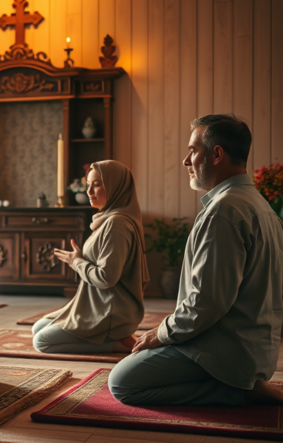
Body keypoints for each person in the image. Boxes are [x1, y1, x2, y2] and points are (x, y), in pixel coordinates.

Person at [109, 114, 283, 406]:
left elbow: (207, 302)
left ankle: (235, 391)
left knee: (122, 383)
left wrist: (161, 333)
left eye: (192, 150)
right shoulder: (259, 204)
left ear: (216, 154)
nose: (185, 161)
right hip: (256, 349)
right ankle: (244, 384)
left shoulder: (224, 210)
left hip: (223, 351)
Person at [32, 160, 149, 355]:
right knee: (37, 328)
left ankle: (118, 343)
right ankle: (112, 337)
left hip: (110, 311)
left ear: (115, 187)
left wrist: (76, 262)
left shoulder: (116, 224)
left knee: (42, 342)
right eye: (88, 185)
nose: (89, 192)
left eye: (97, 185)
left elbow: (106, 278)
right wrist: (77, 260)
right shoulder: (107, 219)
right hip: (94, 304)